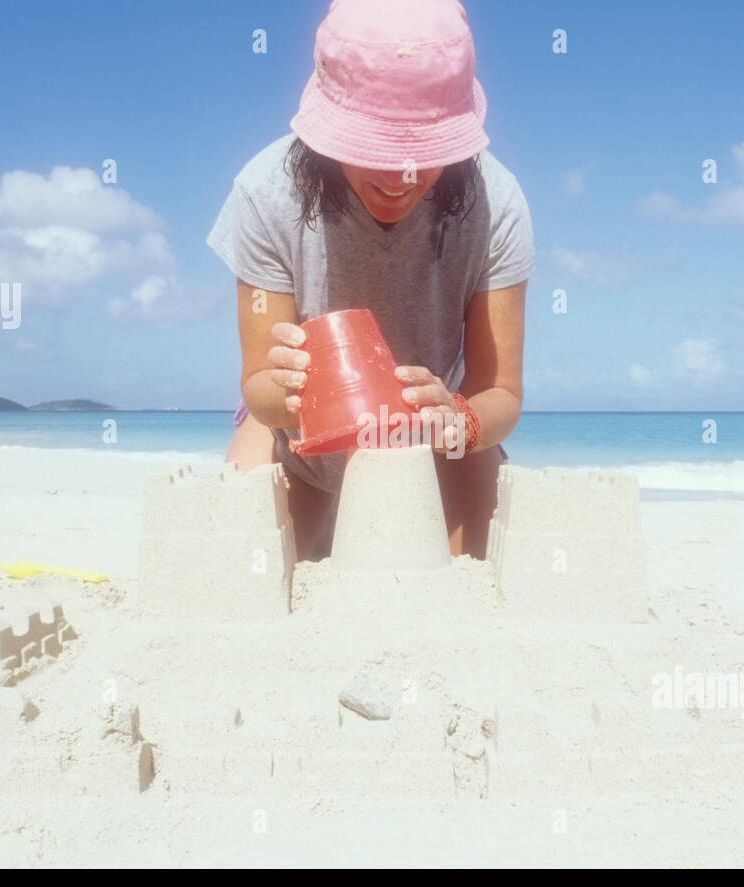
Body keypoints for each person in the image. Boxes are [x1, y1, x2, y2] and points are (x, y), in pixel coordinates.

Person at [207, 0, 534, 561]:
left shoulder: (495, 204)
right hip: (299, 439)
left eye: (420, 153)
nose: (396, 178)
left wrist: (461, 421)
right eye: (372, 149)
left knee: (476, 580)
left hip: (435, 444)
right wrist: (294, 394)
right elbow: (260, 384)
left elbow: (500, 393)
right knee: (241, 570)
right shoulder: (266, 192)